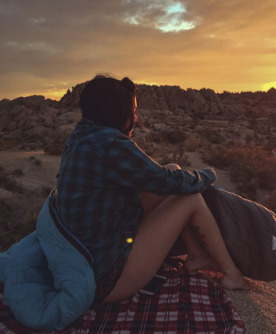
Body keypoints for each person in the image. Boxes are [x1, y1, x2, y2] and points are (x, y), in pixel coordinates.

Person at [55, 74, 249, 305]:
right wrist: (208, 175)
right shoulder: (110, 143)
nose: (135, 117)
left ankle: (196, 255)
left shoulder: (82, 134)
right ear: (120, 113)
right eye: (133, 110)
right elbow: (166, 181)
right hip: (102, 280)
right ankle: (233, 275)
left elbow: (160, 176)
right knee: (190, 198)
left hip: (84, 259)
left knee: (173, 168)